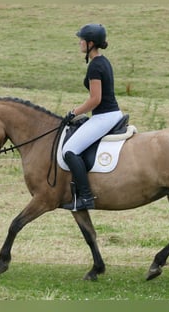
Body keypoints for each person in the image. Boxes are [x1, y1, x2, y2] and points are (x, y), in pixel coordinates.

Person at [62, 23, 123, 211]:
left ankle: (86, 198)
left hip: (104, 116)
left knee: (70, 151)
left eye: (81, 40)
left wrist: (74, 112)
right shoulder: (103, 61)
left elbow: (95, 99)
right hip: (109, 114)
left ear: (90, 43)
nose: (79, 43)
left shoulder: (95, 67)